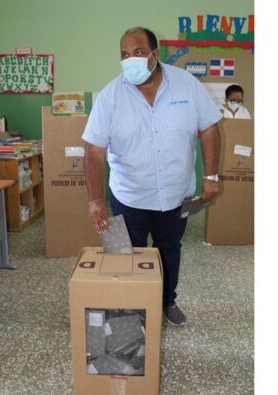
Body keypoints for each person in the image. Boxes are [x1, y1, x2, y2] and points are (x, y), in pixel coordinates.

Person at [83, 27, 222, 326]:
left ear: (155, 54)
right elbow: (94, 151)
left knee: (169, 249)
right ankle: (130, 308)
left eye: (137, 52)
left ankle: (167, 301)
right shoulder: (110, 97)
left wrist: (211, 176)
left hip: (176, 194)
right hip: (128, 195)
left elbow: (210, 127)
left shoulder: (187, 85)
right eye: (123, 54)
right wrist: (95, 201)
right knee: (123, 253)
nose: (129, 59)